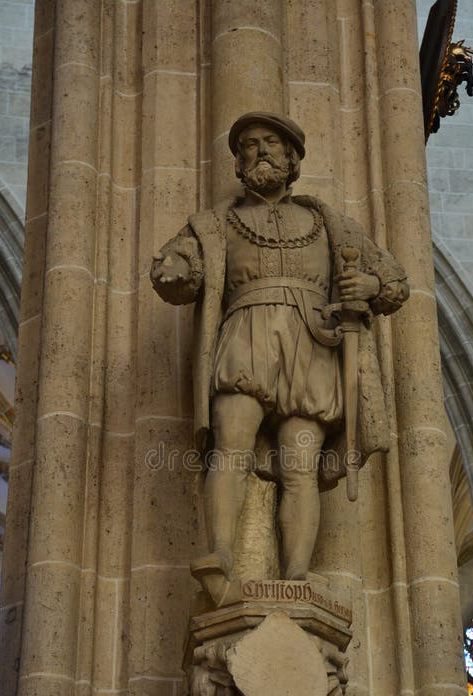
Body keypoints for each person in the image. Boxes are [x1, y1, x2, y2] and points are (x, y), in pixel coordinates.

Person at [151, 111, 409, 601]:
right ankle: (221, 552)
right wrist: (175, 269)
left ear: (292, 159)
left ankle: (295, 576)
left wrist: (368, 285)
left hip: (312, 344)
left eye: (271, 142)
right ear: (238, 162)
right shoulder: (214, 225)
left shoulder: (330, 225)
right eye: (248, 145)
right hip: (245, 334)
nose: (260, 151)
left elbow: (395, 283)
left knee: (300, 464)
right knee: (231, 446)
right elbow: (176, 273)